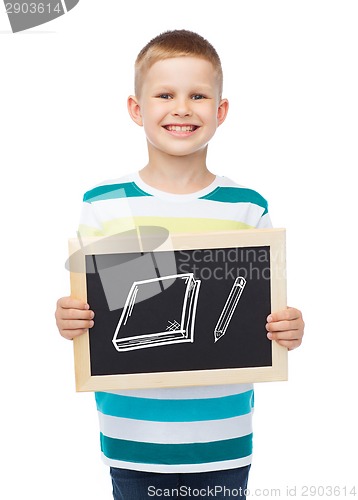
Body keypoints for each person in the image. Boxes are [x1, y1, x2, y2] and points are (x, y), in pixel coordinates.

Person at [55, 29, 304, 499]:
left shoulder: (247, 207)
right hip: (133, 438)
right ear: (137, 109)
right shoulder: (104, 204)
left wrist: (289, 326)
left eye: (198, 95)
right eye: (165, 94)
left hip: (223, 438)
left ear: (220, 111)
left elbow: (266, 310)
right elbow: (99, 309)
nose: (182, 108)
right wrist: (69, 318)